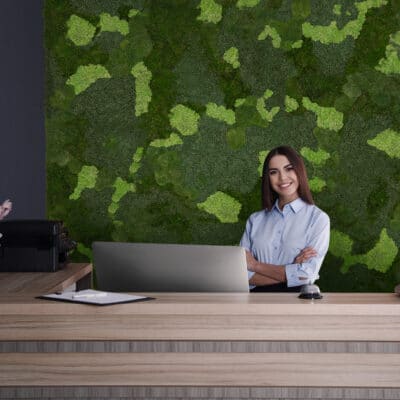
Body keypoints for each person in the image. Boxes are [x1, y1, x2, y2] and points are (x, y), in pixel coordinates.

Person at [240, 146, 330, 292]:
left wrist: (255, 266)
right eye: (273, 172)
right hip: (253, 303)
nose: (282, 177)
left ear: (299, 170)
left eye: (289, 168)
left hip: (294, 303)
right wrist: (291, 270)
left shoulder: (318, 219)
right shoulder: (255, 220)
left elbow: (305, 275)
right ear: (267, 178)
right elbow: (240, 274)